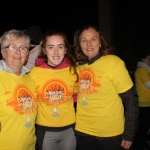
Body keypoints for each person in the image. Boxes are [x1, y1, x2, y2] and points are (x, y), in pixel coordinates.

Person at [73, 25, 139, 150]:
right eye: (84, 40)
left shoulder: (114, 62)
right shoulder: (77, 67)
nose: (89, 44)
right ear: (79, 44)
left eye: (93, 39)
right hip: (83, 132)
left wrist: (129, 134)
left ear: (101, 42)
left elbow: (131, 100)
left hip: (111, 135)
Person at [29, 29, 78, 150]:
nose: (56, 52)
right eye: (51, 47)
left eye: (60, 47)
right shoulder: (35, 72)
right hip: (45, 130)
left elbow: (77, 97)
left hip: (70, 129)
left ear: (65, 49)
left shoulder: (73, 70)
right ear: (44, 50)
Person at [0, 29, 38, 150]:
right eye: (13, 47)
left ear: (27, 54)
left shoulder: (30, 79)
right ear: (3, 52)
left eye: (23, 48)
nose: (18, 52)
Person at [133, 49, 150, 150]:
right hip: (144, 103)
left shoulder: (145, 69)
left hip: (146, 103)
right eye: (149, 58)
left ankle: (141, 143)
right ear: (143, 59)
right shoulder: (142, 69)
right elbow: (148, 84)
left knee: (144, 126)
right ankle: (140, 145)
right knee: (143, 127)